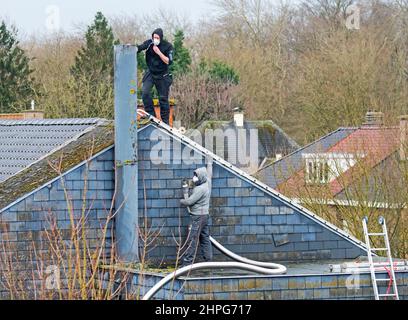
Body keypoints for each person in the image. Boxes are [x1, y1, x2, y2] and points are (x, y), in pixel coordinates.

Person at [136, 28, 174, 125]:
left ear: (161, 38)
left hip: (162, 75)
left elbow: (168, 61)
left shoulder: (168, 46)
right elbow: (140, 47)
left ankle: (165, 122)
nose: (155, 39)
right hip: (151, 72)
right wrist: (132, 48)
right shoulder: (150, 43)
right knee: (145, 92)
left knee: (163, 99)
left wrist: (158, 52)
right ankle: (151, 115)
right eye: (154, 37)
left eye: (157, 37)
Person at [180, 163, 213, 267]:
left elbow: (189, 201)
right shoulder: (207, 183)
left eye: (196, 176)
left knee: (192, 239)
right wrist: (209, 163)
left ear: (201, 177)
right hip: (205, 216)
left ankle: (186, 264)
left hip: (197, 217)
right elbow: (209, 175)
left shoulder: (200, 189)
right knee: (204, 238)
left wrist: (182, 201)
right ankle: (208, 261)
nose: (194, 178)